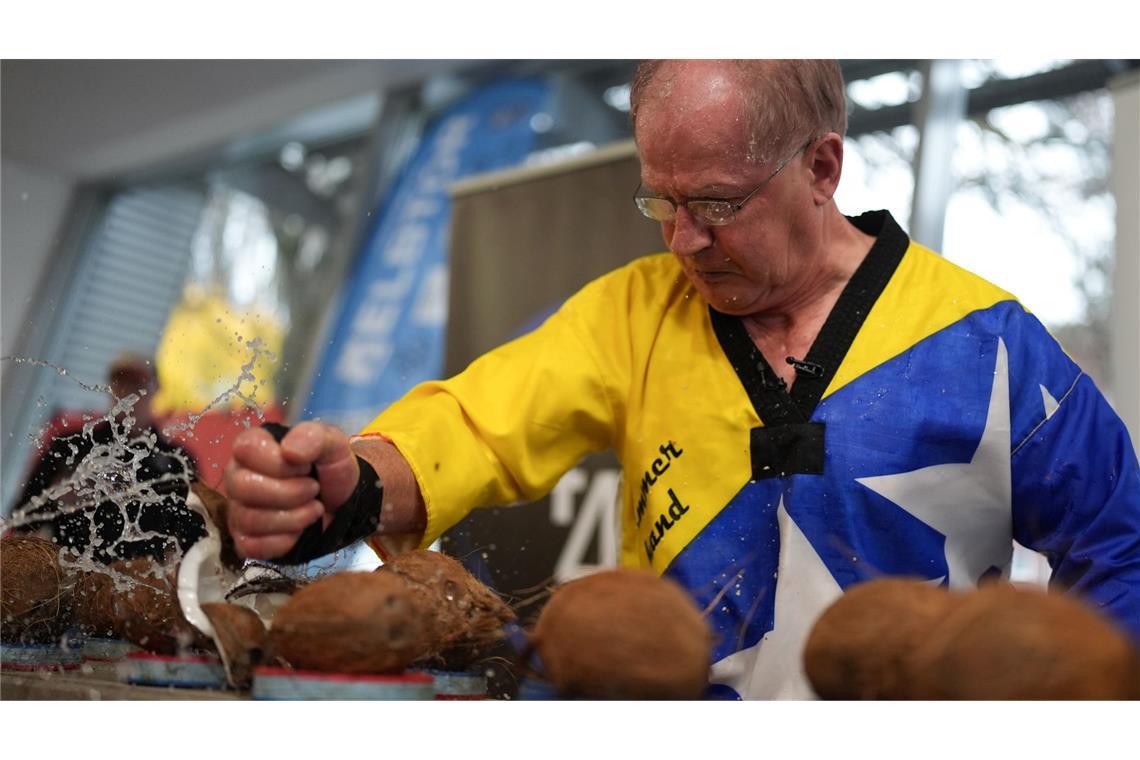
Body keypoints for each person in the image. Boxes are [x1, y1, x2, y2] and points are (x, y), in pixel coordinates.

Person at [223, 60, 1140, 699]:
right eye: (660, 199)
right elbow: (477, 423)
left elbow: (1121, 547)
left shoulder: (989, 344)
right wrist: (356, 484)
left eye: (716, 204)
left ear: (821, 166)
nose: (681, 239)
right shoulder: (635, 312)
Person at [15, 353, 205, 564]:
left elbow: (195, 538)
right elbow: (23, 516)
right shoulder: (73, 446)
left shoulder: (177, 462)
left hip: (140, 584)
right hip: (72, 572)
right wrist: (59, 501)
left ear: (155, 389)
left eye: (137, 385)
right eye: (120, 383)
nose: (127, 393)